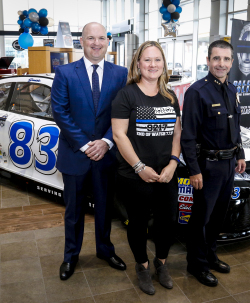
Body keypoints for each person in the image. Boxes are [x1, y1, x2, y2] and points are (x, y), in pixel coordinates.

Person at [51, 22, 128, 281]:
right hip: (75, 155)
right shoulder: (64, 72)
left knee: (105, 209)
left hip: (106, 155)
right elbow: (60, 112)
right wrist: (86, 145)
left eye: (101, 38)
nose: (96, 43)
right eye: (90, 38)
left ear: (108, 42)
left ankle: (105, 251)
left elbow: (121, 113)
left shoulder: (120, 73)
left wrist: (106, 142)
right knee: (74, 212)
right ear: (81, 41)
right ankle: (70, 256)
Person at [111, 41, 181, 295]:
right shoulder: (127, 95)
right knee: (138, 224)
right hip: (134, 175)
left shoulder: (170, 96)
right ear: (138, 64)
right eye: (147, 60)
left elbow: (176, 134)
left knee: (168, 222)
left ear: (164, 64)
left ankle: (161, 263)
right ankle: (142, 266)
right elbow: (119, 135)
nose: (153, 65)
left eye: (157, 60)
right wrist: (140, 167)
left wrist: (173, 163)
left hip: (166, 174)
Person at [181, 40, 246, 287]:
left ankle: (210, 255)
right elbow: (188, 136)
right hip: (207, 167)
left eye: (226, 59)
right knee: (201, 218)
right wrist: (194, 171)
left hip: (229, 165)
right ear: (208, 61)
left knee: (218, 216)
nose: (221, 63)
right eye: (216, 58)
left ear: (232, 62)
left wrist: (239, 154)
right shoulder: (197, 91)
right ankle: (196, 264)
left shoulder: (231, 89)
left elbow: (235, 127)